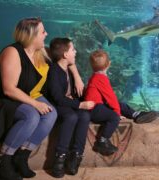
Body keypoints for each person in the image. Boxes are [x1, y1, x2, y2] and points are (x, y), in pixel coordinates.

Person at [0, 18, 83, 180]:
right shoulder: (12, 52)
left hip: (28, 95)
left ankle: (21, 156)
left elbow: (66, 57)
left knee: (51, 114)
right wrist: (35, 104)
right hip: (4, 99)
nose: (46, 34)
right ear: (31, 35)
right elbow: (9, 89)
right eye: (43, 31)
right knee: (32, 116)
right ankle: (3, 160)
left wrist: (77, 77)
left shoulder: (42, 51)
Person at [85, 49, 159, 156]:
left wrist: (117, 108)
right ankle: (102, 141)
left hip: (97, 106)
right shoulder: (100, 78)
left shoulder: (96, 76)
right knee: (114, 116)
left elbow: (107, 99)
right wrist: (117, 113)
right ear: (109, 64)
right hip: (94, 109)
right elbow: (110, 98)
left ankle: (136, 115)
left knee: (121, 105)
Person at [46, 37, 95, 178]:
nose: (76, 52)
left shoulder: (68, 69)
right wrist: (80, 104)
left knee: (85, 116)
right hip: (58, 105)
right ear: (65, 55)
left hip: (69, 103)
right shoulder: (54, 71)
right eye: (73, 49)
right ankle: (59, 158)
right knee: (71, 116)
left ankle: (76, 156)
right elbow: (57, 98)